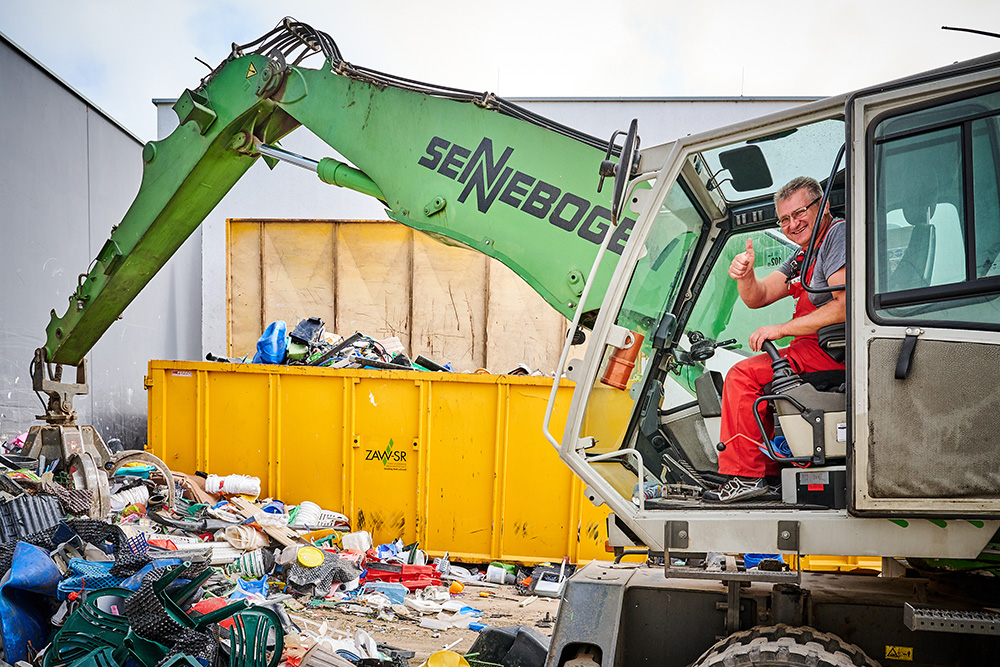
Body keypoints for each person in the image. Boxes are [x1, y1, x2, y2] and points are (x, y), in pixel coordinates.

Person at [704, 176, 847, 503]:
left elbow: (844, 306)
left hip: (830, 352)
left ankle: (745, 477)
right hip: (810, 348)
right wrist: (745, 275)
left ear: (822, 206)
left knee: (743, 376)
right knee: (749, 373)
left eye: (800, 213)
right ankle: (766, 473)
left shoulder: (836, 235)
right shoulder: (804, 255)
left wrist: (780, 329)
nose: (793, 224)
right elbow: (759, 296)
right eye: (784, 219)